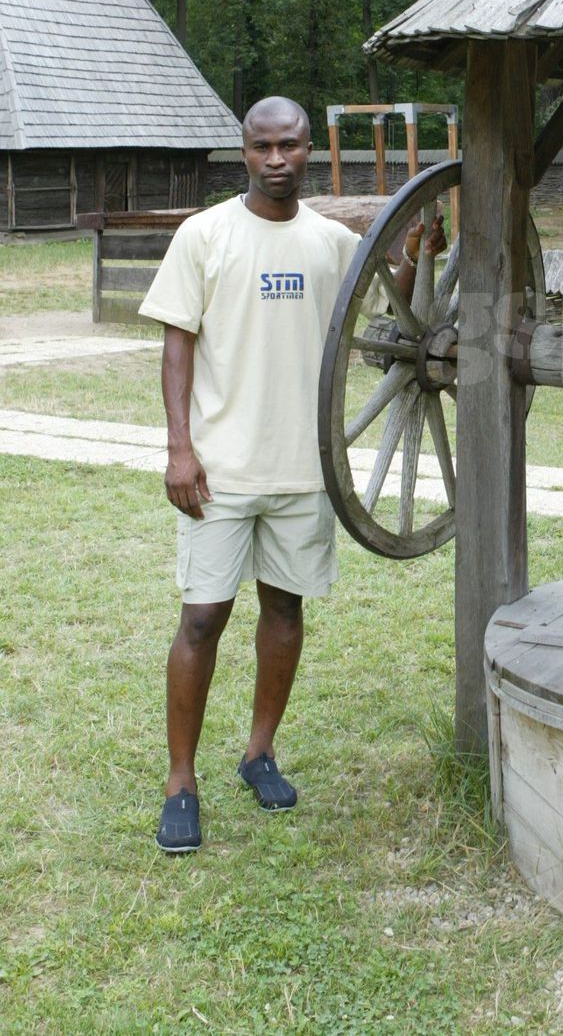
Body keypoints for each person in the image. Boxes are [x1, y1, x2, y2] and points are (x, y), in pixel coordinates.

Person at [140, 95, 443, 853]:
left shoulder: (331, 241)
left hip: (306, 469)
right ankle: (181, 781)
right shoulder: (204, 235)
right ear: (243, 150)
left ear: (310, 150)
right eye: (263, 145)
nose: (277, 159)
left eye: (291, 145)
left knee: (284, 612)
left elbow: (389, 302)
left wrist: (414, 248)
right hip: (221, 469)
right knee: (202, 618)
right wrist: (180, 448)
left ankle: (259, 751)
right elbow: (177, 345)